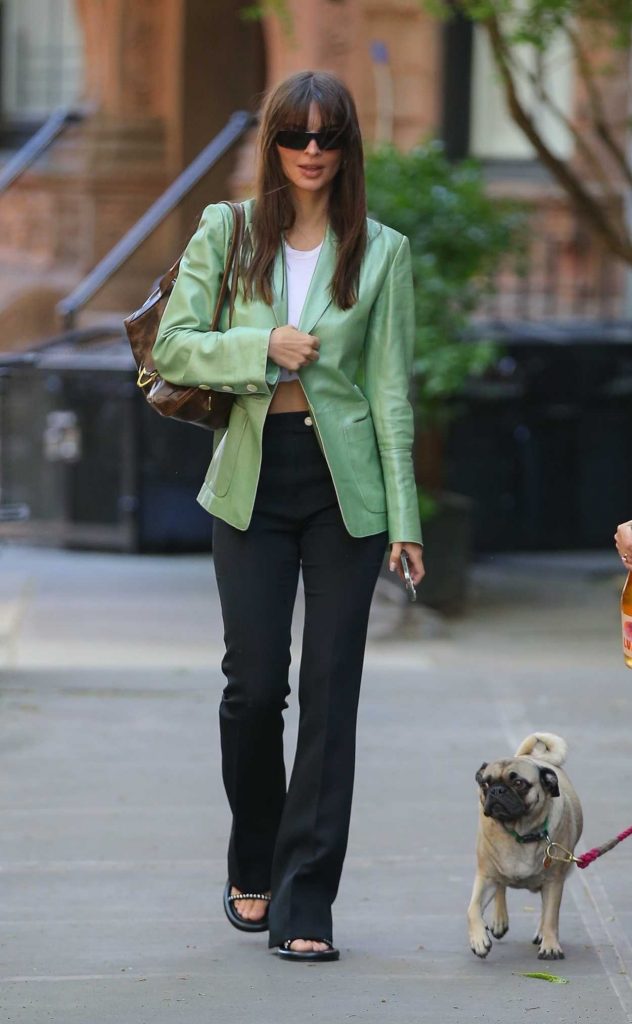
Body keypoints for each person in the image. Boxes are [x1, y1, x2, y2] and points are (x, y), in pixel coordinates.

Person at [152, 70, 424, 963]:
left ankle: (308, 900)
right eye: (295, 137)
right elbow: (173, 344)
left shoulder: (381, 250)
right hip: (253, 482)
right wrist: (259, 346)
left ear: (347, 148)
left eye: (329, 137)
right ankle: (255, 853)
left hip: (348, 494)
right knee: (255, 685)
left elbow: (389, 392)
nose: (312, 152)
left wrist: (408, 519)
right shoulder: (226, 231)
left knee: (331, 696)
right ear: (272, 143)